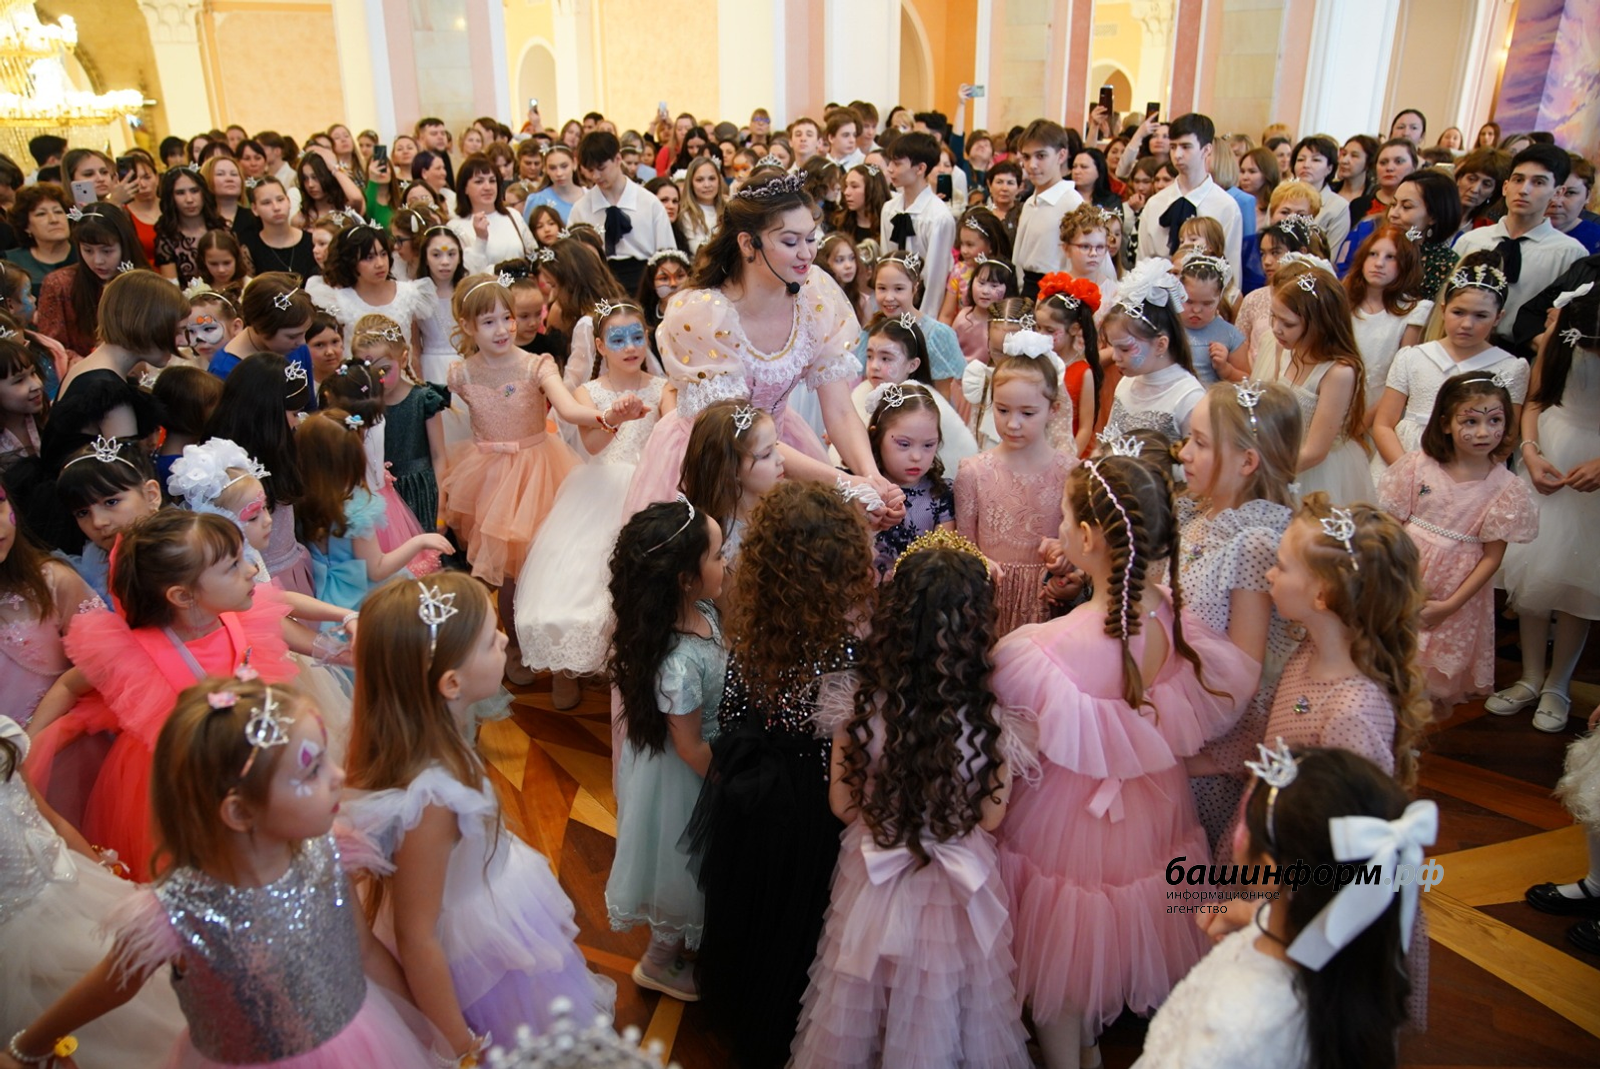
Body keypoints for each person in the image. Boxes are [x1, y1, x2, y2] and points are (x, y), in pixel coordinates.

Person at [6, 675, 440, 1069]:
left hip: (358, 1043)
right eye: (312, 770)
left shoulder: (329, 853)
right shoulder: (177, 913)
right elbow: (110, 986)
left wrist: (427, 1036)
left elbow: (364, 951)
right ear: (239, 811)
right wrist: (29, 1045)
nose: (338, 775)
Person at [995, 452, 1260, 1069]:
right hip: (1153, 812)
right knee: (1102, 939)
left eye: (1064, 518)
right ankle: (1090, 1050)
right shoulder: (1169, 613)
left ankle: (1071, 1058)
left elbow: (1016, 740)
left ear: (1088, 538)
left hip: (1065, 825)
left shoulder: (1045, 649)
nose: (1059, 528)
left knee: (1061, 953)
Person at [342, 575, 613, 1059]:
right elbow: (417, 936)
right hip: (476, 956)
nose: (505, 641)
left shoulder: (441, 737)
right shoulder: (432, 798)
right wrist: (456, 1040)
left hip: (489, 899)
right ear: (451, 683)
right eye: (491, 640)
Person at [790, 538, 1033, 1069]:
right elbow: (991, 817)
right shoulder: (991, 722)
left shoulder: (860, 706)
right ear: (977, 628)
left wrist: (889, 816)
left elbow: (842, 805)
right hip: (957, 879)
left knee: (861, 995)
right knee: (946, 1003)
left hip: (873, 867)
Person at [687, 481, 876, 1068]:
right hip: (812, 798)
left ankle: (747, 1004)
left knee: (754, 904)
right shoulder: (844, 651)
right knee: (802, 915)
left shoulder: (752, 630)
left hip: (753, 793)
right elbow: (844, 741)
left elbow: (733, 711)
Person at [24, 510, 303, 879]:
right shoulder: (133, 651)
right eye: (233, 566)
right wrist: (28, 744)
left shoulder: (239, 619)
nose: (252, 570)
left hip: (251, 760)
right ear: (183, 595)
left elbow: (286, 620)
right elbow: (67, 685)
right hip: (174, 784)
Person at [622, 170, 902, 522]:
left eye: (811, 238)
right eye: (790, 241)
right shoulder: (703, 315)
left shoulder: (815, 296)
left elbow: (841, 410)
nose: (806, 253)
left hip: (784, 449)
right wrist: (844, 484)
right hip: (714, 461)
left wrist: (871, 479)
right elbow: (739, 434)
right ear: (747, 244)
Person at [1135, 748, 1436, 1069]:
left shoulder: (1229, 1030)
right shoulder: (1349, 949)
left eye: (1245, 821)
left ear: (1268, 871)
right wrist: (1250, 916)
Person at [603, 497, 727, 1000]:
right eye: (718, 556)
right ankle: (658, 961)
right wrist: (730, 784)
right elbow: (690, 746)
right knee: (679, 869)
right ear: (685, 579)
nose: (726, 563)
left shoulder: (702, 610)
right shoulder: (676, 662)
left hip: (696, 755)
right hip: (685, 776)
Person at [1175, 381, 1302, 853]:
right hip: (1175, 716)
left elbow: (1247, 676)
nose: (1184, 453)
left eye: (1201, 443)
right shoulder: (1198, 516)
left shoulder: (1254, 543)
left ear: (1247, 462)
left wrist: (1199, 755)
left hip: (1207, 748)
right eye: (1188, 439)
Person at [514, 299, 664, 693]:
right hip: (600, 490)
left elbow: (670, 440)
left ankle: (628, 666)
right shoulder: (587, 392)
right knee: (580, 580)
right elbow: (593, 446)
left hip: (650, 487)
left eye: (637, 337)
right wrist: (615, 418)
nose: (630, 347)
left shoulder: (663, 388)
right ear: (600, 346)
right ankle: (568, 668)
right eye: (618, 340)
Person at [1379, 373, 1537, 707]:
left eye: (1495, 420)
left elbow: (1492, 557)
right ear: (1446, 424)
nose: (1483, 432)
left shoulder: (1506, 488)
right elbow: (1390, 528)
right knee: (1386, 661)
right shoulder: (1418, 466)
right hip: (1403, 577)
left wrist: (1449, 606)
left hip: (1455, 592)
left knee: (1424, 680)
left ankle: (1410, 727)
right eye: (1470, 421)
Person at [1495, 283, 1600, 732]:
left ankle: (1559, 683)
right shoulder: (1566, 323)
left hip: (1595, 458)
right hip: (1552, 446)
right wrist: (1531, 452)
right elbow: (1537, 400)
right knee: (1534, 566)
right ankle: (1531, 676)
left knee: (1580, 574)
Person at [956, 349, 1077, 635]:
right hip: (989, 606)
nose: (1012, 423)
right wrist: (978, 563)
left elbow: (1083, 547)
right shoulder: (973, 472)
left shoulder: (1071, 473)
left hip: (1048, 604)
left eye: (1027, 413)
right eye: (1002, 410)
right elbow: (963, 545)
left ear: (1054, 409)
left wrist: (1069, 560)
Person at [1371, 255, 1528, 477]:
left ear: (1498, 318)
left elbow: (1508, 436)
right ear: (1443, 310)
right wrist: (1408, 472)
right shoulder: (1413, 357)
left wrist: (1459, 478)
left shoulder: (1510, 368)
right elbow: (1383, 424)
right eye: (1458, 312)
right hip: (1403, 464)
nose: (1467, 324)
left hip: (1470, 473)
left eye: (1481, 316)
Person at [1253, 266, 1372, 504]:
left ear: (1320, 324)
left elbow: (1316, 451)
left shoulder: (1338, 372)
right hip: (1278, 452)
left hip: (1312, 468)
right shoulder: (1285, 349)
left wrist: (1265, 471)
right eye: (1274, 317)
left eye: (1288, 324)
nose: (1276, 329)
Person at [1453, 144, 1586, 353]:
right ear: (1505, 187)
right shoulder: (1472, 241)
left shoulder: (1569, 253)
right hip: (1463, 346)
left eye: (1538, 182)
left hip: (1526, 353)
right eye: (1518, 180)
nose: (1524, 190)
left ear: (1557, 192)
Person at [1102, 258, 1205, 439]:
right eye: (1113, 347)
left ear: (1160, 345)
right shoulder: (1126, 384)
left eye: (1124, 349)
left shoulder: (1189, 397)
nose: (1115, 357)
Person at [1140, 114, 1243, 284]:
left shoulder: (1225, 206)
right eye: (1173, 147)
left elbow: (1231, 271)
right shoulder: (1155, 204)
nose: (1177, 154)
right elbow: (1143, 263)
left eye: (1186, 147)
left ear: (1206, 150)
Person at [35, 203, 147, 358]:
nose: (97, 261)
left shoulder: (144, 282)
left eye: (107, 251)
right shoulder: (60, 284)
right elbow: (50, 347)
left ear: (125, 245)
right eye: (87, 250)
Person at [570, 131, 677, 293]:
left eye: (601, 168)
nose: (596, 176)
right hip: (600, 284)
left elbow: (667, 255)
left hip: (645, 283)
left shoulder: (649, 203)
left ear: (618, 159)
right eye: (590, 170)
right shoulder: (581, 208)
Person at [1344, 225, 1433, 412]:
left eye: (1390, 257)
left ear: (1405, 264)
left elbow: (1400, 380)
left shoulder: (1413, 312)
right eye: (1373, 254)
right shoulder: (1343, 302)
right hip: (1336, 399)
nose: (1378, 263)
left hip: (1378, 409)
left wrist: (1364, 423)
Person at [307, 223, 433, 351]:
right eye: (369, 257)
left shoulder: (408, 293)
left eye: (383, 254)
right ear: (351, 262)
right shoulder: (339, 301)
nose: (380, 264)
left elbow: (415, 347)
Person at [879, 132, 956, 319]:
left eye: (897, 164)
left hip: (922, 307)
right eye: (890, 163)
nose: (890, 169)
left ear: (920, 168)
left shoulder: (938, 216)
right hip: (892, 303)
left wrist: (924, 321)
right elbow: (886, 258)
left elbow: (935, 278)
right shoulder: (889, 209)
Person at [1013, 121, 1086, 297]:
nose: (1032, 165)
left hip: (1057, 295)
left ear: (1061, 155)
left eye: (1041, 156)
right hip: (1028, 291)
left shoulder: (1072, 202)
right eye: (1026, 157)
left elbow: (1082, 263)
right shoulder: (1029, 203)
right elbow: (1019, 262)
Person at [445, 153, 537, 275]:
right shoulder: (455, 226)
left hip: (521, 285)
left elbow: (533, 255)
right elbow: (467, 273)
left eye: (492, 181)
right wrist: (481, 239)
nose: (488, 187)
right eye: (479, 181)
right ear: (465, 188)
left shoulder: (512, 215)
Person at [5, 183, 76, 295]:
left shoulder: (87, 255)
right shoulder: (10, 263)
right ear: (26, 226)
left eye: (58, 212)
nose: (54, 220)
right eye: (41, 214)